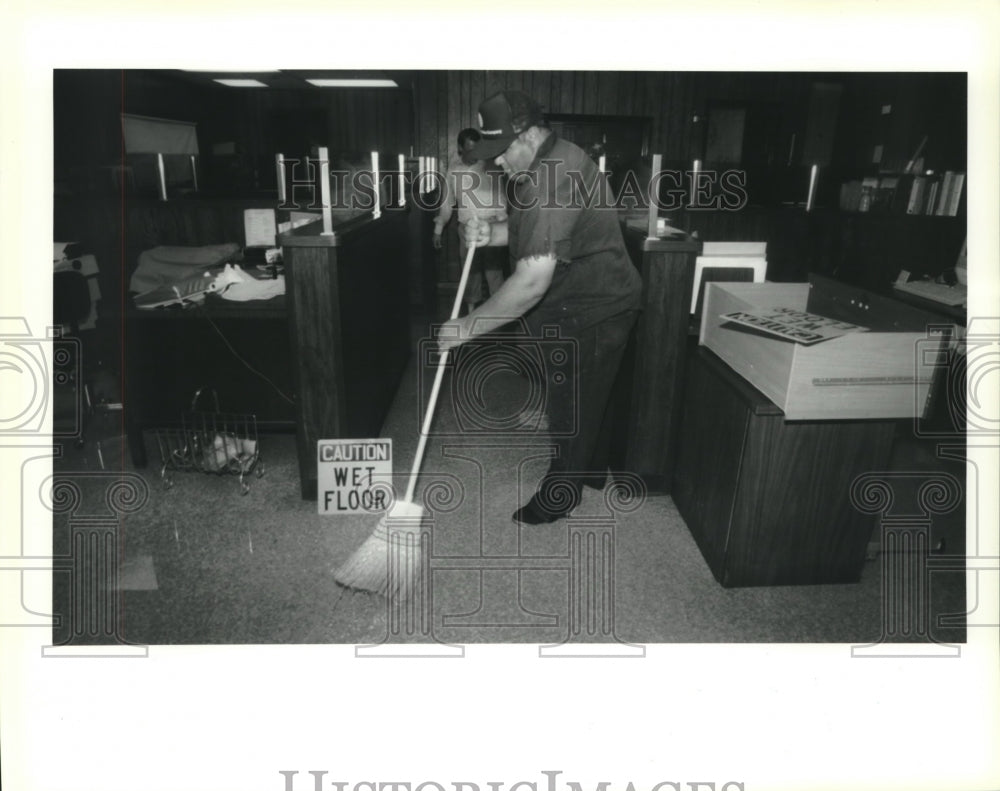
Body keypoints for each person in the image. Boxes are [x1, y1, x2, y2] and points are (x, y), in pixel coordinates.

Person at [438, 90, 643, 525]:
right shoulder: (551, 162)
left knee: (572, 404)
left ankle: (559, 496)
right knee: (591, 395)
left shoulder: (551, 178)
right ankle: (590, 473)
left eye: (500, 150)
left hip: (595, 306)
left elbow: (531, 282)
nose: (495, 162)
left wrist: (465, 327)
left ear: (529, 135)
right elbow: (537, 232)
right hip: (590, 297)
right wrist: (492, 234)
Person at [433, 128, 508, 315]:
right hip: (466, 228)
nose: (475, 154)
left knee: (494, 273)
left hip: (491, 227)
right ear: (460, 148)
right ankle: (472, 310)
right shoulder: (453, 171)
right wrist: (438, 228)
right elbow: (447, 202)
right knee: (470, 273)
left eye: (477, 149)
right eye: (470, 149)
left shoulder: (490, 167)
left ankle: (497, 314)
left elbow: (500, 199)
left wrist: (503, 226)